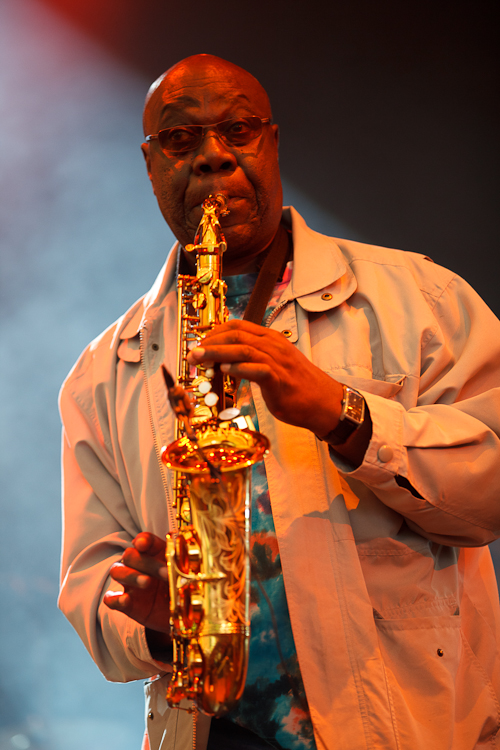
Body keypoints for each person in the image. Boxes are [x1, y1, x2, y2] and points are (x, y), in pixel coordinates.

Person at [58, 54, 500, 750]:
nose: (213, 157)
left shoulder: (423, 299)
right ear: (150, 165)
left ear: (272, 142)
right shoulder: (101, 374)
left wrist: (343, 414)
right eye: (180, 139)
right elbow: (91, 585)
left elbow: (491, 493)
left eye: (237, 130)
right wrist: (159, 623)